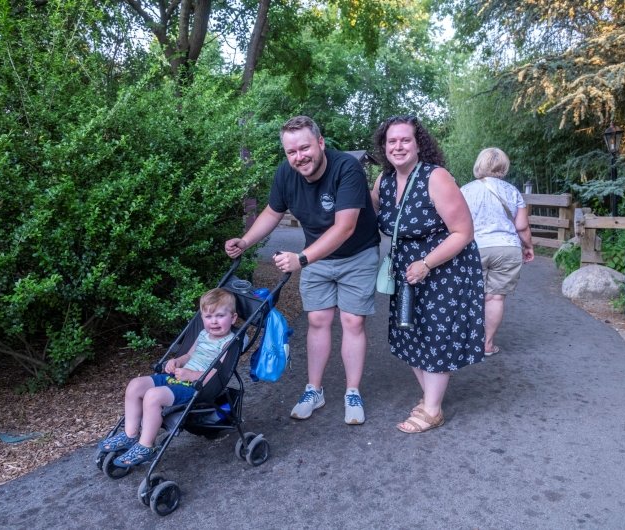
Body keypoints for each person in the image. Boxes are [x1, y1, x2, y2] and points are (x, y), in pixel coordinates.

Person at [225, 115, 380, 425]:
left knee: (352, 321)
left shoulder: (346, 169)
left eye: (305, 148)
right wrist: (245, 240)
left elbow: (345, 227)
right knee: (319, 320)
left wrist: (302, 259)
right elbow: (272, 212)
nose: (299, 157)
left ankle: (352, 392)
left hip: (356, 254)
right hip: (317, 256)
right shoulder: (286, 173)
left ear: (320, 143)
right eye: (291, 152)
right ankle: (314, 389)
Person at [371, 115, 485, 434]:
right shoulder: (384, 181)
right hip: (406, 271)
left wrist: (427, 264)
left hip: (443, 267)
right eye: (392, 141)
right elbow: (364, 217)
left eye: (405, 140)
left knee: (436, 335)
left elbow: (463, 232)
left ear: (419, 143)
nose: (398, 146)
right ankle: (429, 397)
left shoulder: (436, 177)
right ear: (384, 146)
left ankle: (432, 409)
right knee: (410, 333)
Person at [98, 288, 237, 467]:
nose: (214, 322)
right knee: (135, 385)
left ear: (233, 318)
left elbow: (216, 373)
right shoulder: (203, 334)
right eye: (208, 317)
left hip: (196, 387)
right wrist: (176, 361)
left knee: (153, 396)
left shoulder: (229, 342)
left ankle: (145, 446)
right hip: (177, 377)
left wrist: (191, 375)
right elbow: (188, 355)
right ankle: (130, 435)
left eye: (219, 316)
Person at [460, 147, 534, 356]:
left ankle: (467, 341)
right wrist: (528, 247)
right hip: (507, 248)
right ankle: (487, 344)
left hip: (474, 248)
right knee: (495, 298)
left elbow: (457, 223)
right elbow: (521, 226)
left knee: (474, 295)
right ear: (504, 166)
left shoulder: (465, 190)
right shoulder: (512, 191)